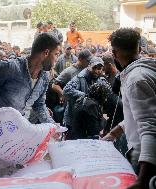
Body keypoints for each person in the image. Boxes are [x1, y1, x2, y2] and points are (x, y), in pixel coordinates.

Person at [0, 33, 61, 125]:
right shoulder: (10, 67)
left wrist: (52, 126)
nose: (57, 59)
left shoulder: (45, 76)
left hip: (21, 130)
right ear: (46, 53)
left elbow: (39, 104)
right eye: (56, 54)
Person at [108, 28, 156, 189]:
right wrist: (114, 133)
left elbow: (149, 127)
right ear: (139, 49)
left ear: (114, 53)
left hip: (145, 161)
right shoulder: (145, 71)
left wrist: (142, 181)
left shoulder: (137, 80)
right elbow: (142, 114)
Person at [63, 56, 108, 136]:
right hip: (73, 118)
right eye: (94, 67)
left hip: (88, 119)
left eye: (99, 68)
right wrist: (85, 95)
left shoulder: (99, 79)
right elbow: (66, 90)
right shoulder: (79, 78)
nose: (97, 71)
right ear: (89, 66)